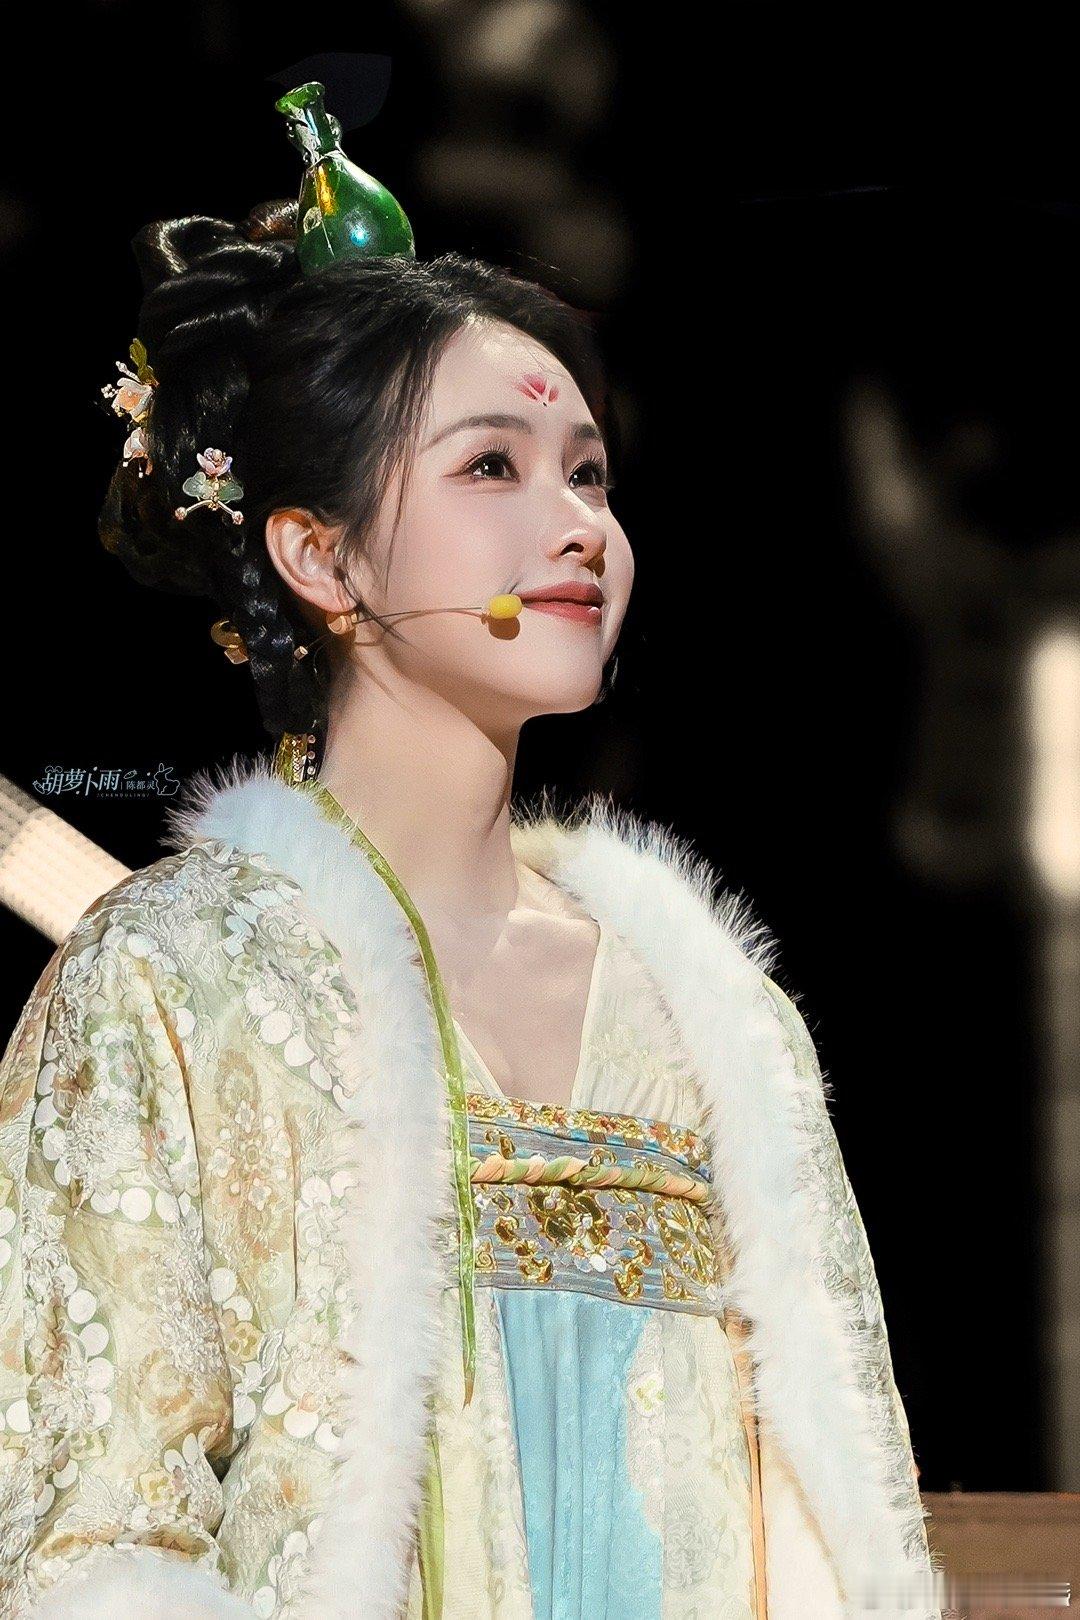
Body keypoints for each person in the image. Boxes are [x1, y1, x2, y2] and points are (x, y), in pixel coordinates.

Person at [0, 83, 941, 1620]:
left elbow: (846, 1537)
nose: (578, 527)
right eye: (492, 467)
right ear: (320, 554)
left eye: (590, 472)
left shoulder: (718, 1024)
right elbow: (89, 1536)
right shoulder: (169, 988)